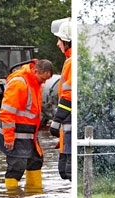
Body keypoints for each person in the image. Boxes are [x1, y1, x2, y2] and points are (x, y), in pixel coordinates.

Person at [0, 59, 53, 192]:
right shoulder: (19, 83)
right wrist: (9, 138)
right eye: (42, 79)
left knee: (36, 161)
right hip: (15, 133)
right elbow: (7, 112)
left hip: (29, 134)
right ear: (35, 71)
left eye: (46, 81)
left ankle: (35, 196)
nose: (43, 83)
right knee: (17, 166)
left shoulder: (35, 83)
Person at [50, 18, 72, 181]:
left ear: (67, 42)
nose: (57, 44)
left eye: (59, 40)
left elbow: (68, 96)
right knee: (64, 171)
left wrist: (56, 121)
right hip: (67, 129)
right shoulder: (68, 62)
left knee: (67, 171)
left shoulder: (71, 63)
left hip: (68, 126)